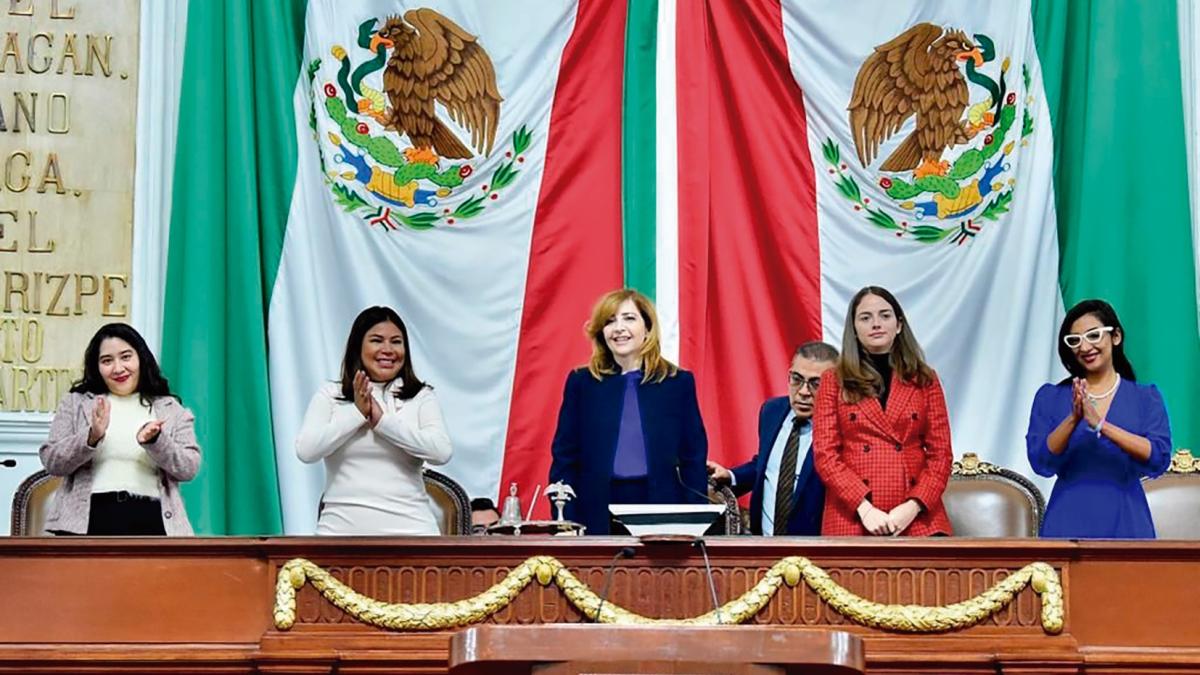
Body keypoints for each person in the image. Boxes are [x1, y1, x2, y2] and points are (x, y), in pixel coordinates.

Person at [549, 288, 709, 535]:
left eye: (629, 318)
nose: (619, 328)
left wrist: (692, 519)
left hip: (661, 506)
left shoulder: (677, 382)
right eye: (610, 321)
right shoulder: (582, 382)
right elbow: (565, 455)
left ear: (647, 328)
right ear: (602, 332)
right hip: (595, 509)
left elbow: (693, 456)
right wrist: (565, 519)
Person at [296, 306, 452, 535]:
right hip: (339, 535)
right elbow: (306, 451)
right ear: (358, 347)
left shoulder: (420, 396)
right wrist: (357, 414)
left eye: (396, 342)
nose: (388, 350)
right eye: (377, 340)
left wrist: (382, 421)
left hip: (413, 534)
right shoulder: (331, 395)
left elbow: (441, 452)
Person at [812, 286, 954, 537]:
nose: (876, 324)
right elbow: (825, 455)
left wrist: (912, 507)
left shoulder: (924, 379)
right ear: (854, 329)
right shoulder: (833, 380)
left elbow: (941, 455)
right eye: (865, 318)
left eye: (885, 315)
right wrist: (864, 508)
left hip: (917, 515)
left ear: (899, 325)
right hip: (853, 514)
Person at [1026, 299, 1172, 538]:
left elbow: (1158, 456)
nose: (1085, 347)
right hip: (1067, 518)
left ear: (1115, 336)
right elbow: (1041, 460)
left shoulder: (1146, 397)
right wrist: (1074, 418)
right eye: (1075, 340)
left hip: (1127, 519)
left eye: (1093, 336)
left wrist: (1101, 425)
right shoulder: (1051, 397)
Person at [39, 323, 200, 536]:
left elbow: (188, 468)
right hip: (86, 521)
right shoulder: (76, 403)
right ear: (96, 366)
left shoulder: (171, 409)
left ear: (141, 358)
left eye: (126, 357)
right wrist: (91, 437)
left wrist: (157, 441)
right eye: (107, 361)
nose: (118, 368)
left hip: (154, 520)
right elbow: (53, 462)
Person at [708, 341, 838, 536]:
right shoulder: (772, 411)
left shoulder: (842, 425)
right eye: (797, 379)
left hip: (814, 551)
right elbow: (767, 464)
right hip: (762, 546)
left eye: (815, 384)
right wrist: (730, 475)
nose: (803, 392)